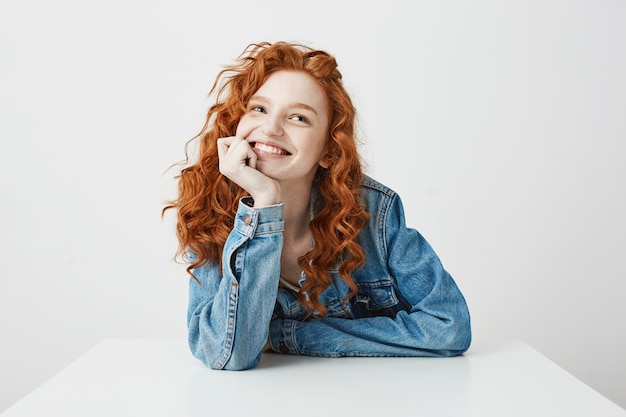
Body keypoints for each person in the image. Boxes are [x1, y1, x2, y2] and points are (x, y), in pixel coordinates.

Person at [164, 41, 471, 370]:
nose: (270, 128)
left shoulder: (375, 213)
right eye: (259, 109)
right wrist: (264, 205)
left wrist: (288, 336)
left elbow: (448, 326)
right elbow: (226, 353)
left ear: (328, 150)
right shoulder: (214, 211)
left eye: (298, 117)